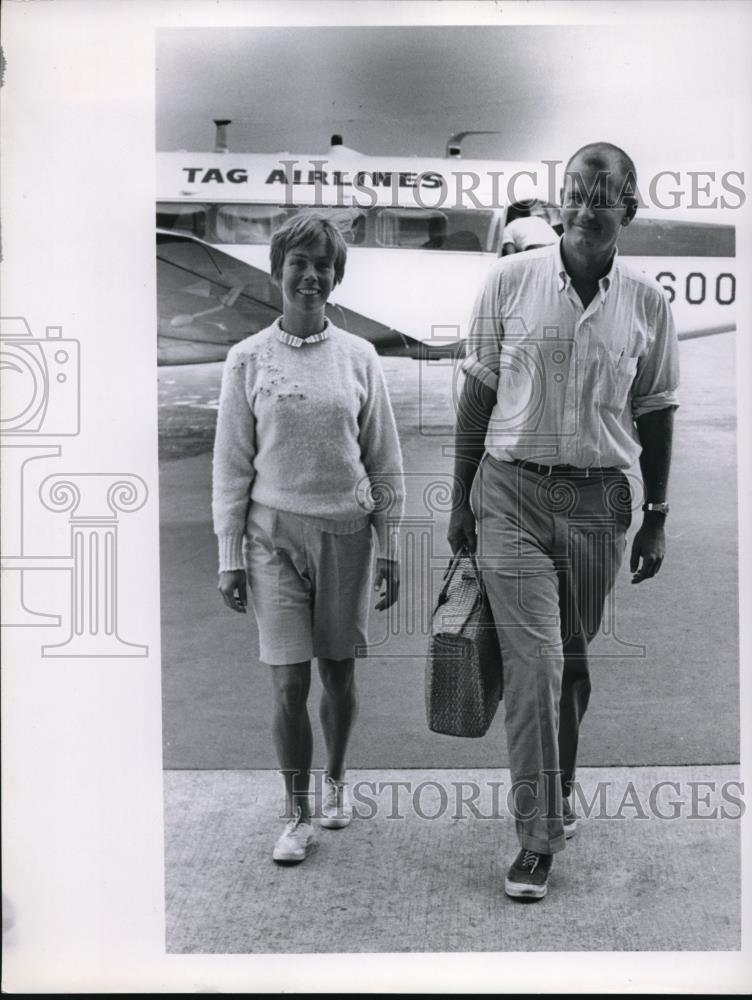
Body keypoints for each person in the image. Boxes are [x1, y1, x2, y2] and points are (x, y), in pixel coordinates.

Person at [448, 142, 679, 900]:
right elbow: (477, 397)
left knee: (572, 665)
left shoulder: (647, 305)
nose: (586, 207)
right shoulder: (510, 282)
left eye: (603, 194)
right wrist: (459, 502)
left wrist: (656, 514)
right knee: (536, 665)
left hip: (600, 505)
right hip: (510, 494)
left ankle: (561, 783)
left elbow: (655, 412)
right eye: (575, 192)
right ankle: (537, 836)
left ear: (629, 211)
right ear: (557, 203)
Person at [212, 212, 405, 864]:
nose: (312, 275)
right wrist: (228, 554)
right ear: (277, 271)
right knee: (289, 686)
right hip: (270, 539)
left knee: (338, 676)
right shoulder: (245, 360)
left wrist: (389, 545)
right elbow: (231, 465)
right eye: (299, 263)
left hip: (346, 535)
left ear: (336, 276)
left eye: (324, 265)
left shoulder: (360, 358)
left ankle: (337, 780)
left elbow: (383, 460)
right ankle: (295, 814)